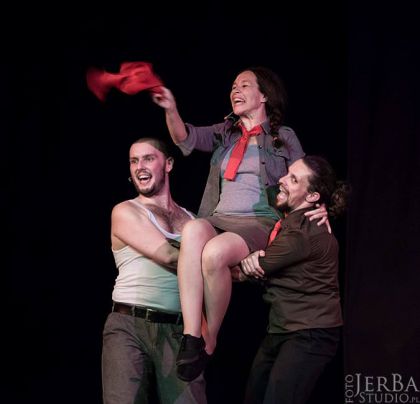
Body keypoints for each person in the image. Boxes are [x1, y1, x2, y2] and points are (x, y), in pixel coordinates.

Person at [152, 66, 328, 381]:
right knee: (193, 229)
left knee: (215, 253)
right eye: (233, 85)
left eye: (244, 85)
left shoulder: (283, 136)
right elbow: (184, 138)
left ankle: (209, 339)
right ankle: (192, 336)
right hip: (219, 215)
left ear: (264, 96)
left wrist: (320, 204)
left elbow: (306, 175)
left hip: (259, 221)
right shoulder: (225, 132)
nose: (236, 89)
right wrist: (171, 109)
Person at [101, 137, 207, 404]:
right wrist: (229, 268)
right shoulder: (126, 211)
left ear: (168, 164)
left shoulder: (193, 220)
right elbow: (170, 256)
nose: (139, 166)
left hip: (179, 329)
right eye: (133, 161)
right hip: (130, 325)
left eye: (148, 158)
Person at [239, 155, 350, 404]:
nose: (282, 179)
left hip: (310, 332)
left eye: (293, 179)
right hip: (283, 326)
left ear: (312, 196)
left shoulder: (301, 232)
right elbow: (272, 191)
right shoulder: (294, 215)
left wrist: (241, 260)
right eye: (287, 173)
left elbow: (248, 270)